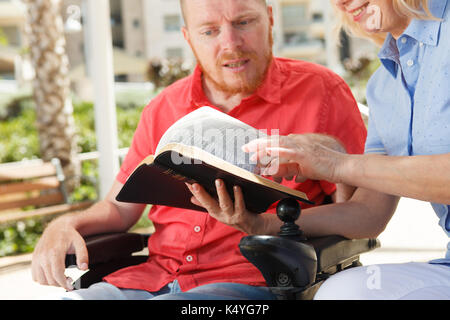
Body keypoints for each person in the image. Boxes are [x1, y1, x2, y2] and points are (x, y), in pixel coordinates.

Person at [31, 0, 367, 300]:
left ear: (269, 19)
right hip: (149, 278)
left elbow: (356, 214)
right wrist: (63, 226)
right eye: (209, 30)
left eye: (244, 22)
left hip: (252, 282)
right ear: (188, 36)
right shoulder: (163, 108)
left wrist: (329, 157)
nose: (231, 43)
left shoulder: (322, 92)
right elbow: (119, 210)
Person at [236, 0, 450, 299]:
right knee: (344, 291)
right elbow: (369, 212)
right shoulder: (383, 86)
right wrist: (264, 223)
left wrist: (336, 163)